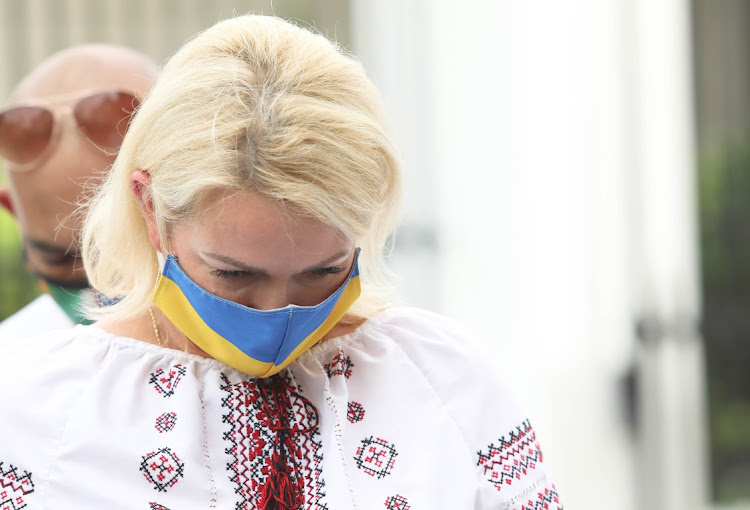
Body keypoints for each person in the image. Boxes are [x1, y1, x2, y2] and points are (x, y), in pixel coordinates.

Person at [0, 15, 563, 509]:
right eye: (233, 273)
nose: (279, 310)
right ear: (151, 209)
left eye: (324, 270)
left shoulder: (441, 377)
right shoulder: (37, 410)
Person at [0, 44, 159, 336]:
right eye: (63, 260)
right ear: (11, 211)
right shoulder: (12, 371)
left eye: (126, 255)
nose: (104, 292)